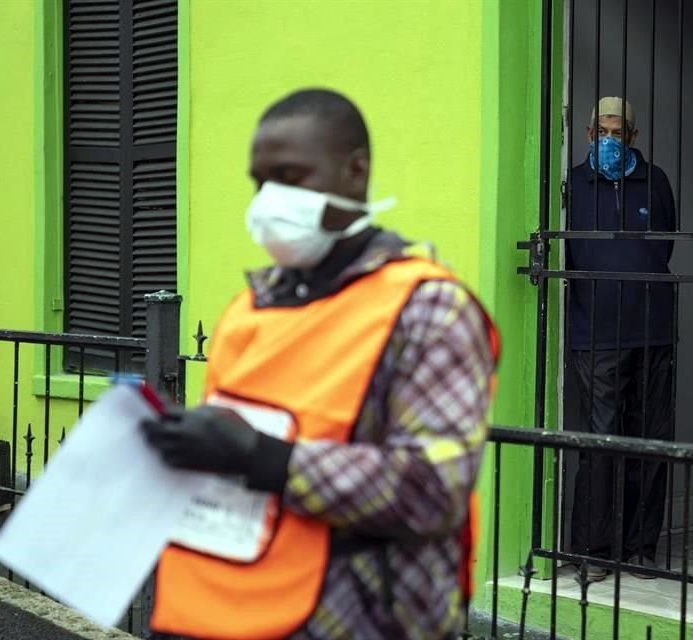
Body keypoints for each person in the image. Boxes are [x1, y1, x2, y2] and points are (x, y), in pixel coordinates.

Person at [140, 89, 499, 640]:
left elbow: (435, 488)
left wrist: (267, 459)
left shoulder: (430, 309)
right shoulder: (249, 307)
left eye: (291, 176)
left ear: (356, 172)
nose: (268, 200)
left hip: (356, 619)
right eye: (260, 182)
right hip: (216, 613)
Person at [566, 96, 676, 581]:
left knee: (650, 441)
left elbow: (666, 243)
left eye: (620, 132)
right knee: (600, 440)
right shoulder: (573, 183)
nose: (610, 140)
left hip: (652, 329)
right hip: (594, 331)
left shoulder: (656, 181)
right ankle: (592, 549)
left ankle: (641, 548)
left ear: (633, 137)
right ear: (590, 135)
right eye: (602, 132)